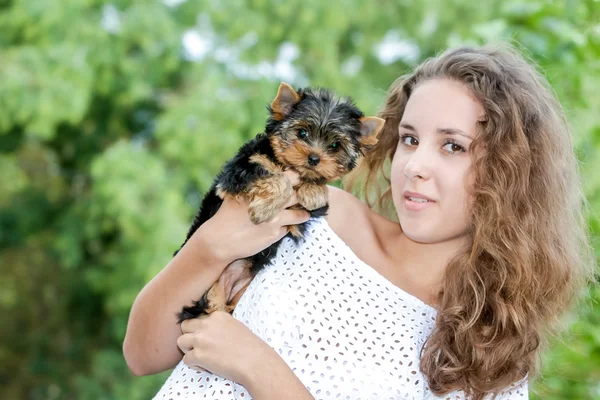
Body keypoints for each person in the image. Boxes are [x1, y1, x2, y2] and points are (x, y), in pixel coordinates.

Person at [123, 45, 595, 399]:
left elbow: (255, 366)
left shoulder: (493, 354)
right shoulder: (311, 213)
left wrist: (258, 367)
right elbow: (143, 354)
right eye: (409, 140)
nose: (415, 165)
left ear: (510, 172)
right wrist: (208, 247)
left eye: (452, 146)